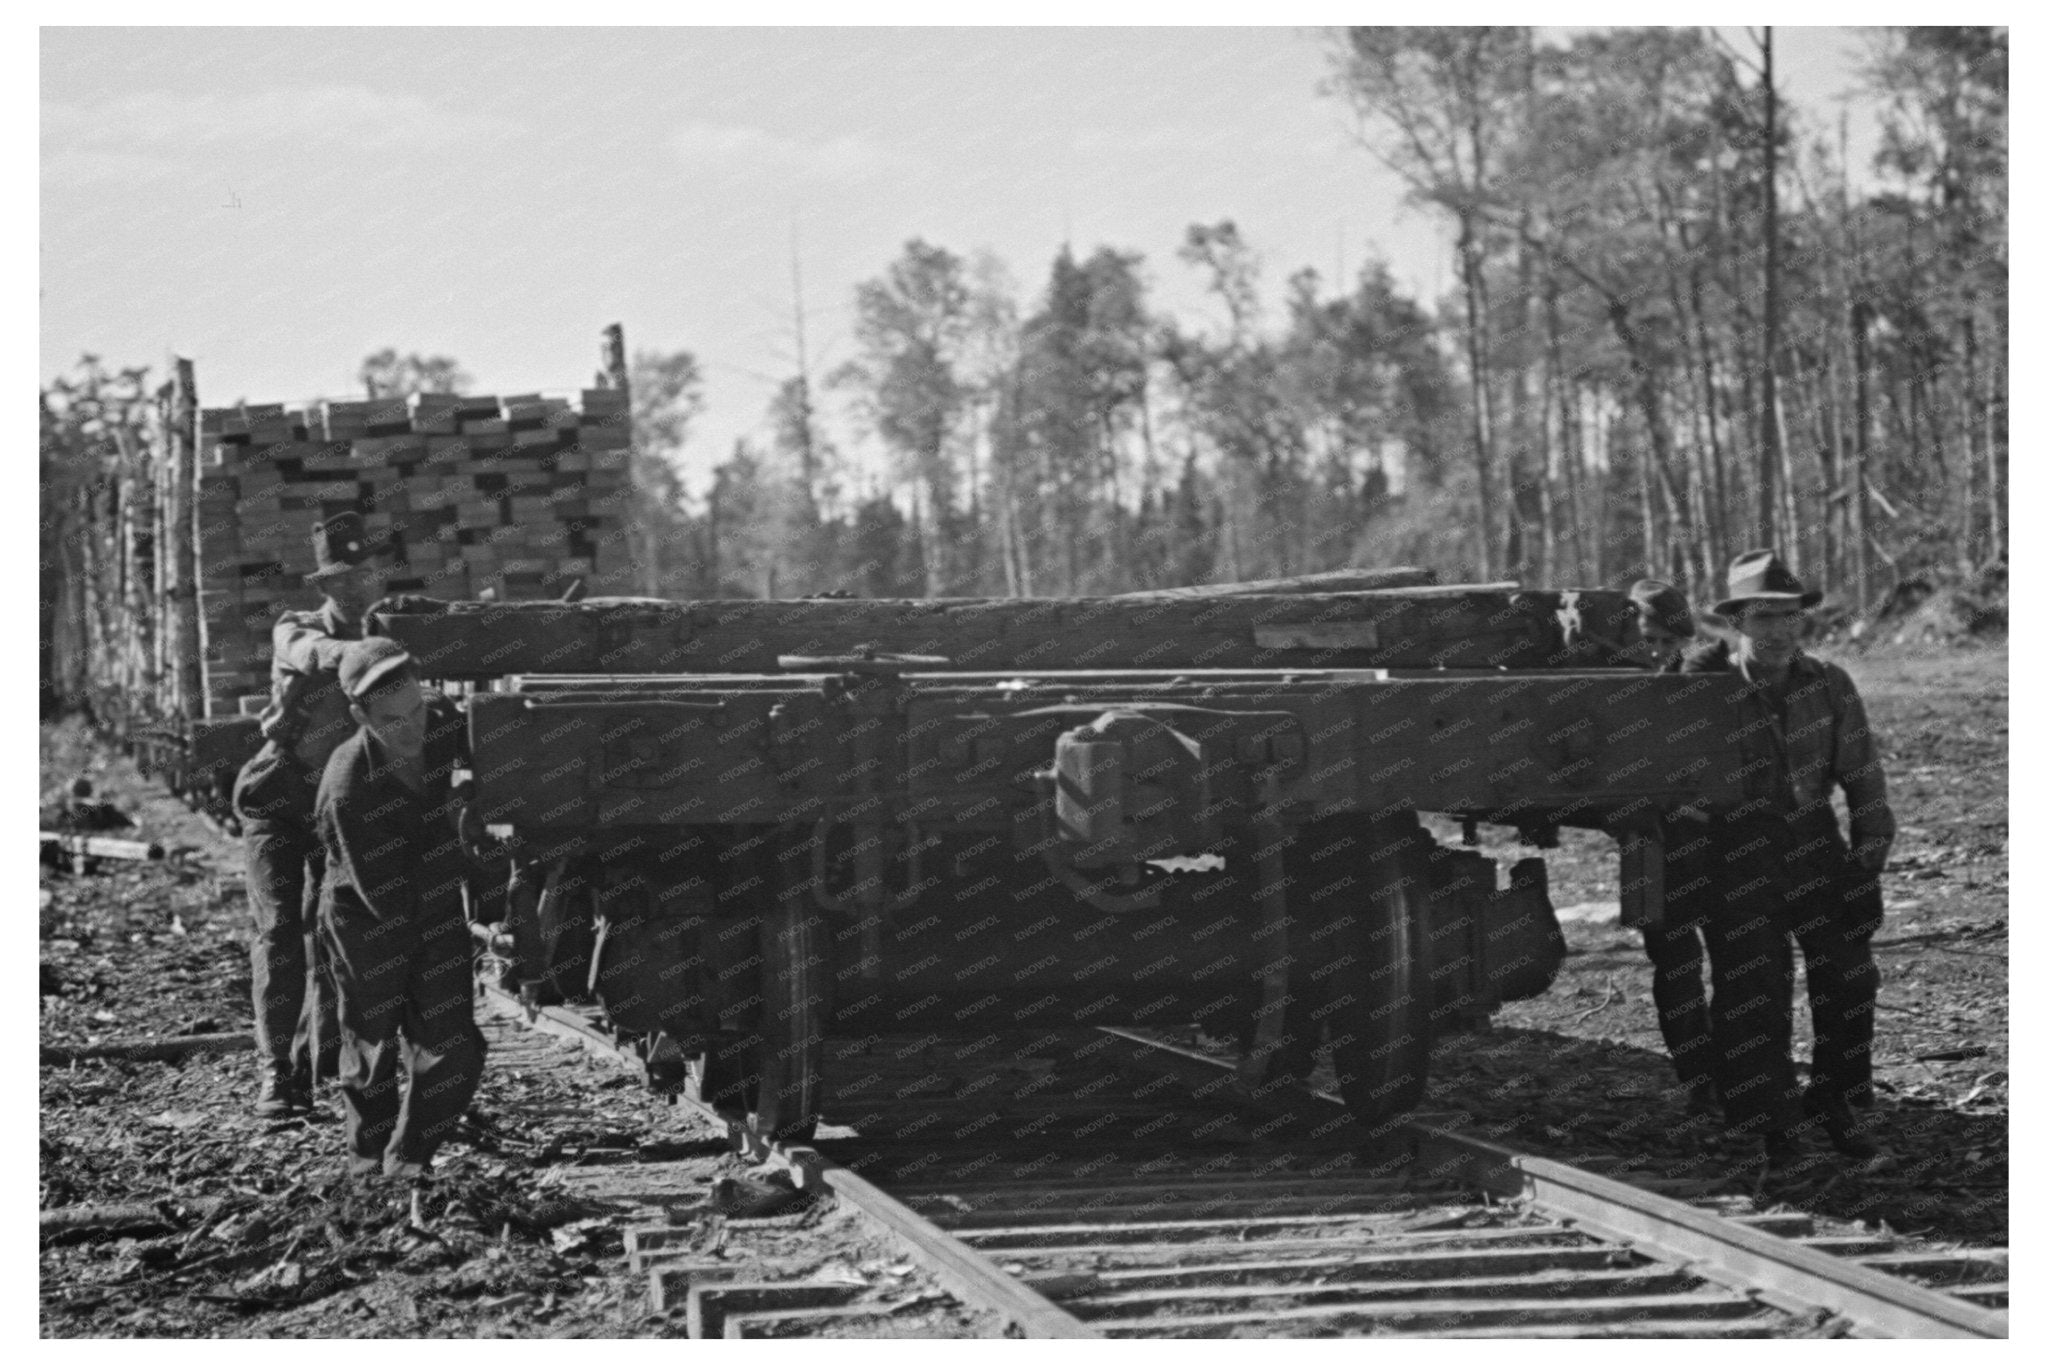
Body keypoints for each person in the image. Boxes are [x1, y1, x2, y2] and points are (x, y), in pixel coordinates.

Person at [1681, 550, 1894, 1166]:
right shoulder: (1704, 689)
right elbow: (1675, 787)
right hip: (1738, 851)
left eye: (1790, 617)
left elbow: (1863, 777)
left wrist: (1867, 862)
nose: (1779, 631)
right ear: (1736, 623)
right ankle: (1773, 1126)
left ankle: (1835, 1102)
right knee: (1754, 989)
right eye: (1763, 618)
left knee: (1849, 979)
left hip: (1814, 844)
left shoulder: (1828, 684)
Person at [315, 637, 485, 1197]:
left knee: (454, 1046)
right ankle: (368, 1174)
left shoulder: (438, 720)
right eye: (394, 720)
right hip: (366, 916)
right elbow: (382, 894)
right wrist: (461, 857)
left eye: (416, 710)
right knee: (371, 1047)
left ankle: (409, 1160)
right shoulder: (347, 787)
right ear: (360, 716)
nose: (413, 728)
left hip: (433, 902)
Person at [1622, 581, 1719, 1117]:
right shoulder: (1614, 688)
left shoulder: (1702, 685)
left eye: (1667, 641)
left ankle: (1734, 1072)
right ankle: (1698, 1076)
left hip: (1710, 841)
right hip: (1654, 845)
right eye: (1648, 640)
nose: (1657, 651)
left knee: (1734, 963)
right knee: (1675, 966)